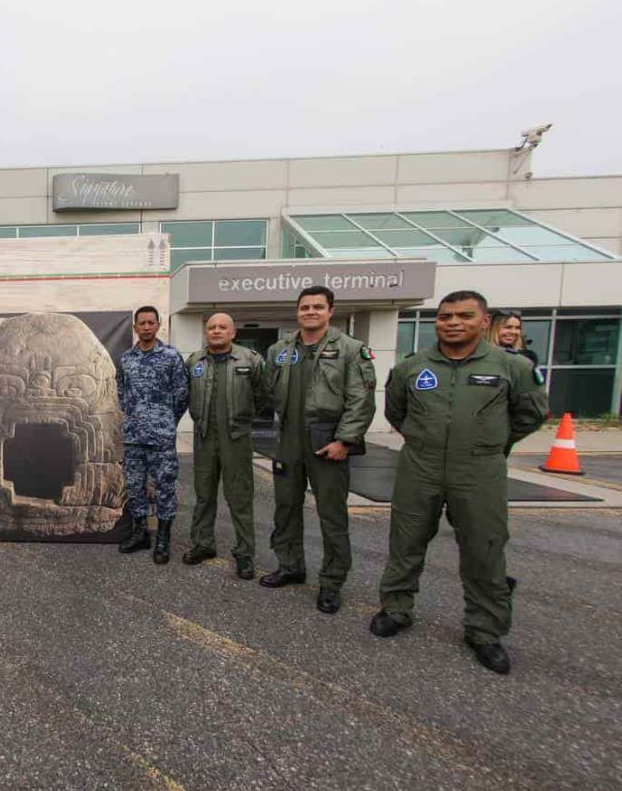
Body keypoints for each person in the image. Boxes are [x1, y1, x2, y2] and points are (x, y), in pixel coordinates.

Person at [372, 290, 548, 674]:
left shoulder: (511, 367)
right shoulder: (412, 367)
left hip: (479, 470)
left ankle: (484, 631)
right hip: (421, 465)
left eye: (464, 315)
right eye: (445, 316)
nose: (452, 322)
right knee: (406, 541)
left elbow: (532, 413)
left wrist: (491, 442)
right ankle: (396, 609)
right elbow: (396, 411)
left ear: (484, 322)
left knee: (484, 549)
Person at [262, 287, 377, 615]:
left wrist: (346, 440)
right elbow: (270, 390)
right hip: (288, 441)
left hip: (327, 443)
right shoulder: (280, 350)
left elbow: (361, 399)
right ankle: (290, 565)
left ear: (330, 311)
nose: (310, 312)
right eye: (304, 307)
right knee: (285, 508)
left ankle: (332, 581)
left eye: (317, 307)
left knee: (332, 516)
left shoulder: (351, 350)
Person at [182, 312, 269, 578]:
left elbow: (264, 396)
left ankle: (244, 554)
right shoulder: (195, 361)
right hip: (204, 436)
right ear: (206, 332)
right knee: (204, 495)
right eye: (211, 327)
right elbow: (185, 394)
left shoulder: (250, 360)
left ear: (233, 332)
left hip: (237, 438)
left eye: (222, 327)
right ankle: (202, 544)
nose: (216, 331)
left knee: (239, 498)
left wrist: (243, 420)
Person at [115, 306, 189, 564]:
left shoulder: (170, 356)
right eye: (142, 323)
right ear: (135, 327)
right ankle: (140, 534)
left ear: (158, 326)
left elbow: (181, 395)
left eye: (151, 322)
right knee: (135, 488)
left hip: (161, 438)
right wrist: (135, 417)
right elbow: (122, 392)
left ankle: (163, 541)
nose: (146, 327)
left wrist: (166, 420)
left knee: (164, 489)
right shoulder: (127, 359)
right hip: (134, 437)